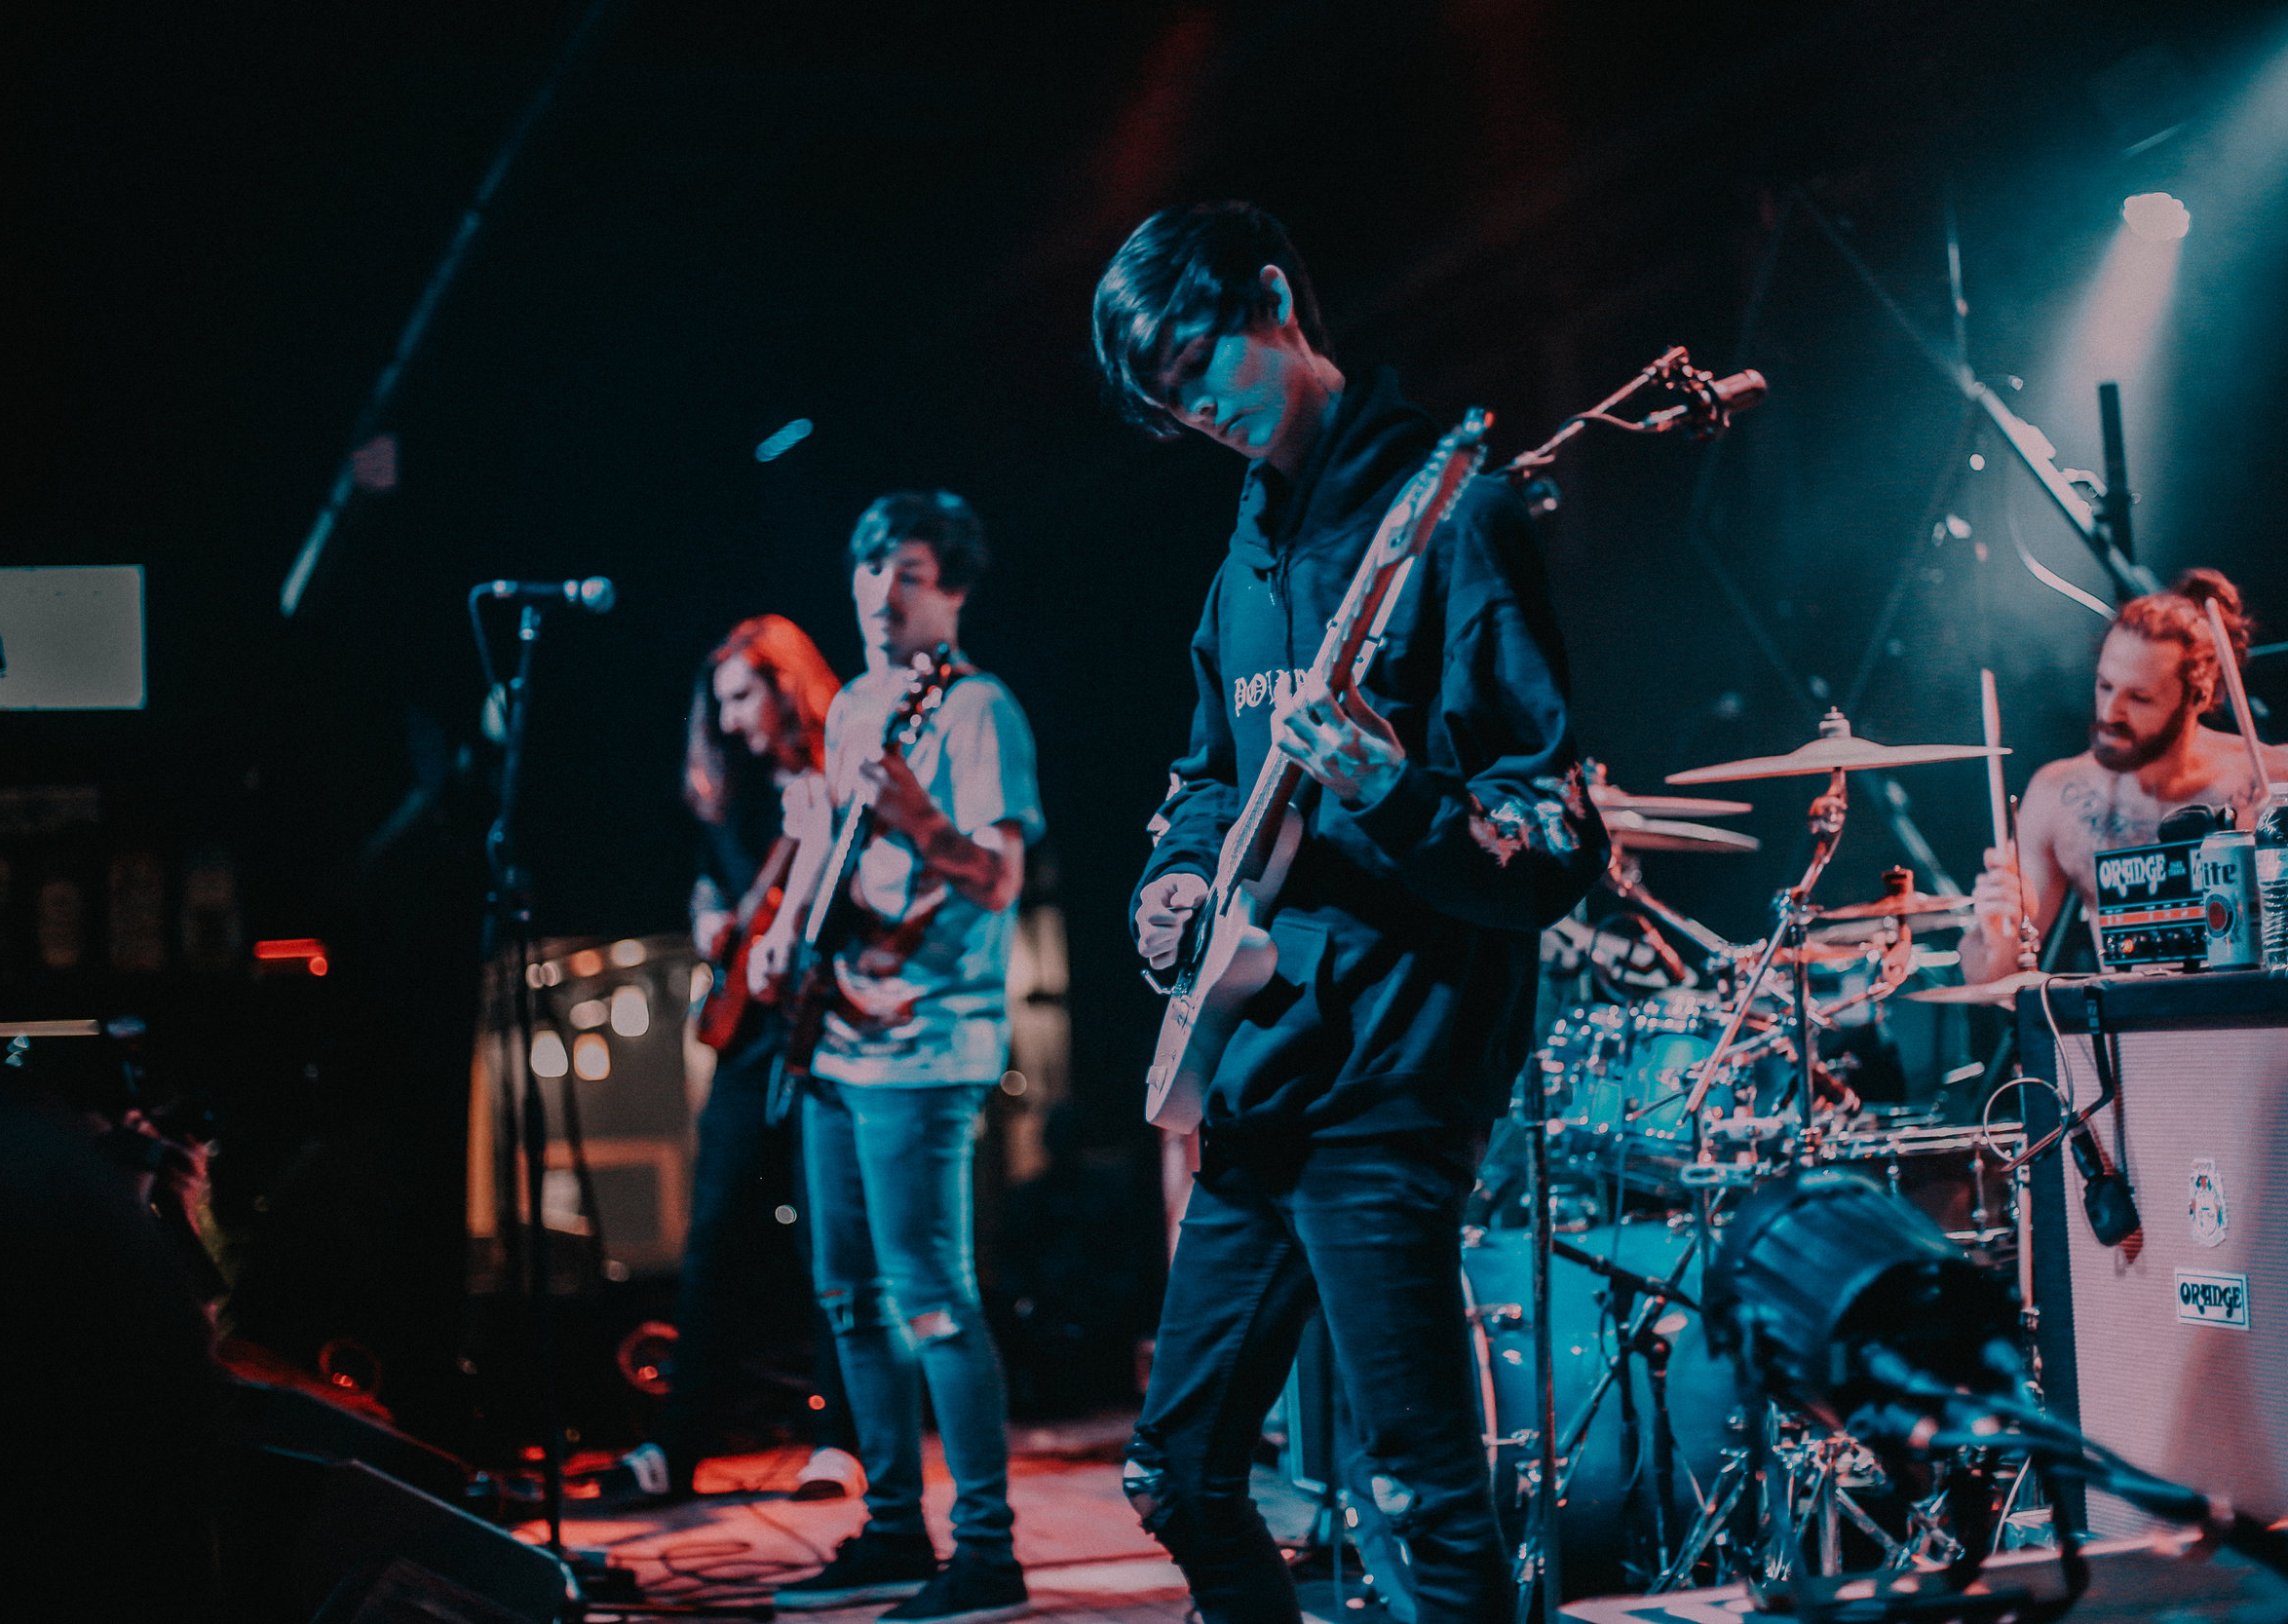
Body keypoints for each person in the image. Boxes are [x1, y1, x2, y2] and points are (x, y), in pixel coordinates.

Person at [1092, 202, 1605, 1624]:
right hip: (1265, 1064)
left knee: (1419, 1490)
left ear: (1273, 295)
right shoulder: (1243, 561)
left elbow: (1553, 840)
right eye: (1167, 401)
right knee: (1177, 1472)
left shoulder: (1452, 515)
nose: (1197, 411)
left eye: (1200, 365)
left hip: (1396, 1060)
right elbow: (1206, 777)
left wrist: (1390, 787)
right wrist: (1173, 881)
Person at [753, 493, 1042, 1624]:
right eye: (869, 569)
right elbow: (830, 845)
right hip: (838, 1030)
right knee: (848, 1294)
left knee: (931, 1298)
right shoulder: (857, 704)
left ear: (952, 588)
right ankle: (888, 1529)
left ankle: (987, 1551)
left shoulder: (977, 707)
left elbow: (1001, 878)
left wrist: (922, 818)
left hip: (926, 1041)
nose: (881, 591)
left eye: (908, 571)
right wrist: (784, 929)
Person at [606, 615, 864, 1507]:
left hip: (829, 1029)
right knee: (715, 1229)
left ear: (786, 688)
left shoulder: (838, 777)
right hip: (751, 1038)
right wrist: (711, 917)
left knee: (832, 1240)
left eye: (744, 695)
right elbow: (711, 880)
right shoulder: (737, 792)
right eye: (719, 702)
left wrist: (819, 841)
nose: (728, 718)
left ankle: (842, 1441)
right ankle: (679, 1445)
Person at [1964, 568, 2288, 983]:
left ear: (2198, 696)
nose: (2110, 712)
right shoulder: (2057, 793)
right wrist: (1998, 926)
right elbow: (1991, 981)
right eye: (2104, 685)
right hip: (2134, 1033)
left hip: (2268, 1023)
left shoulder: (2277, 777)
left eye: (2139, 698)